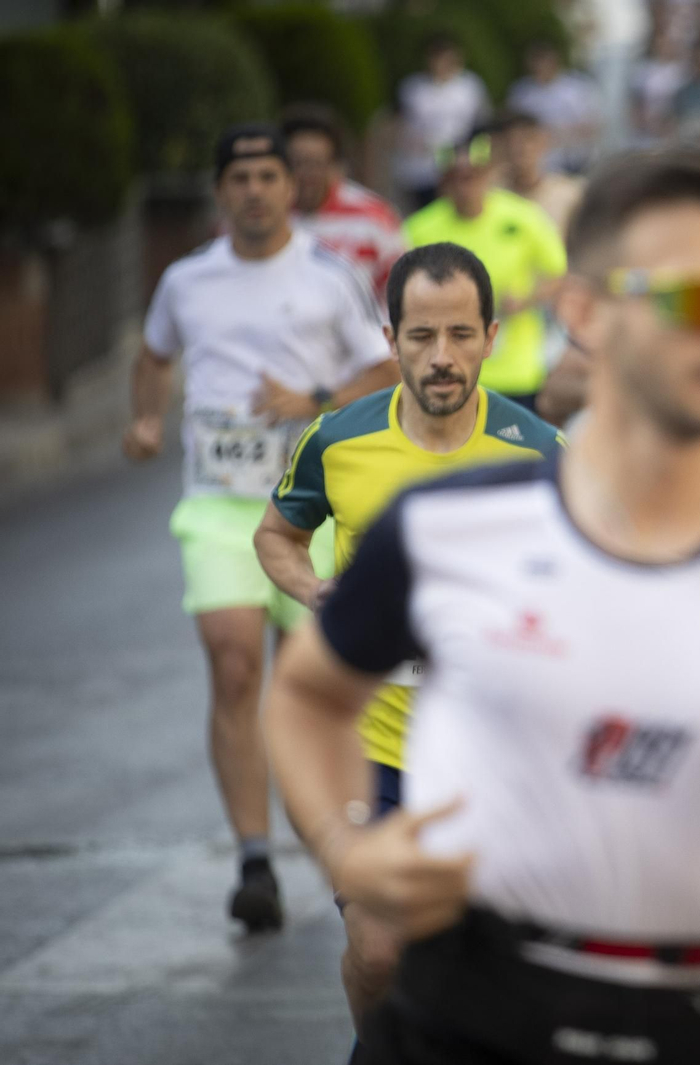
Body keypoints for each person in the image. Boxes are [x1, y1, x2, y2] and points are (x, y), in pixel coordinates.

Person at [261, 145, 700, 1065]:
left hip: (686, 1015)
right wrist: (348, 851)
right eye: (688, 299)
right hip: (469, 1005)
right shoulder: (449, 529)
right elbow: (306, 696)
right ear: (584, 312)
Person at [253, 242, 562, 1031]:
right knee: (382, 953)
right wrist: (318, 593)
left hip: (494, 759)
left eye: (461, 334)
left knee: (489, 971)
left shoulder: (541, 455)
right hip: (372, 753)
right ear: (390, 340)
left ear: (493, 335)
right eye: (421, 337)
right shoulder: (338, 439)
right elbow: (277, 537)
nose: (443, 357)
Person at [121, 124, 397, 933]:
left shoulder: (328, 275)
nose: (253, 190)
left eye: (268, 175)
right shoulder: (186, 279)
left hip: (306, 508)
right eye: (238, 176)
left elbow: (382, 366)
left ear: (290, 188)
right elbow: (152, 352)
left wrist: (311, 403)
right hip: (216, 501)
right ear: (221, 192)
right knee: (235, 666)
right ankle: (253, 857)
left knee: (310, 683)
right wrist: (143, 419)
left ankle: (335, 837)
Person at [405, 127, 567, 412]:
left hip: (515, 370)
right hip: (447, 371)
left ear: (489, 175)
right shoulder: (419, 229)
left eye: (472, 176)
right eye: (455, 178)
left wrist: (526, 299)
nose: (465, 186)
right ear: (444, 182)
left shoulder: (522, 216)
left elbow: (559, 274)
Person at [281, 103, 407, 308]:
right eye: (297, 163)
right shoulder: (267, 219)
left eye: (316, 164)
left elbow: (399, 292)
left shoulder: (374, 218)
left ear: (335, 166)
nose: (305, 175)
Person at [393, 34, 491, 212]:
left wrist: (478, 159)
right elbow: (400, 128)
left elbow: (481, 125)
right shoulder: (413, 89)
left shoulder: (470, 86)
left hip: (458, 166)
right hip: (422, 168)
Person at [506, 41, 601, 174]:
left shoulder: (576, 89)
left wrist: (559, 134)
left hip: (573, 160)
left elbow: (593, 125)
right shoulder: (522, 92)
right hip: (538, 163)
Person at [498, 111, 585, 236]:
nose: (520, 148)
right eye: (512, 141)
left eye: (528, 140)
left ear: (543, 143)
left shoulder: (569, 195)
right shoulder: (491, 195)